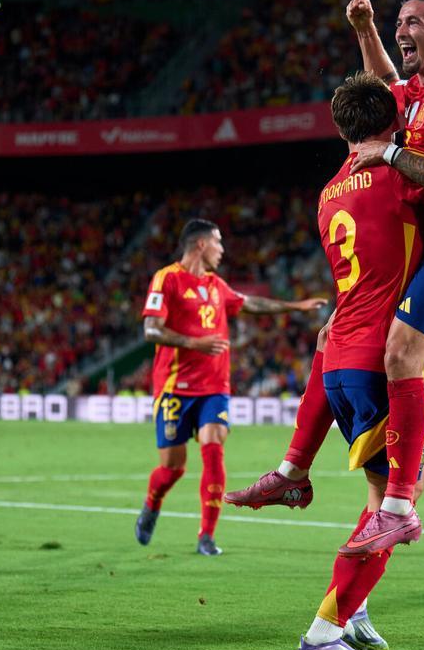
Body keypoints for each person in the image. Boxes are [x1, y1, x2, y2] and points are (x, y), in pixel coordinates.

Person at [227, 0, 424, 557]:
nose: (403, 31)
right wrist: (366, 29)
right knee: (333, 338)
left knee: (400, 356)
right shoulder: (417, 89)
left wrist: (393, 157)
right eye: (400, 22)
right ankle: (293, 469)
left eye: (414, 23)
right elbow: (380, 96)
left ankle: (398, 507)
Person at [289, 72, 424, 650]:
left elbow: (384, 85)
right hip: (376, 362)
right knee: (398, 499)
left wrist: (363, 31)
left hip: (341, 359)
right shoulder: (398, 177)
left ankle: (350, 611)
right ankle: (322, 634)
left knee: (377, 492)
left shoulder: (333, 186)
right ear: (396, 125)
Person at [134, 219, 326, 556]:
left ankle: (206, 536)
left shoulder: (216, 285)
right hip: (175, 387)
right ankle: (152, 503)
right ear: (201, 245)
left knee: (213, 445)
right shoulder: (167, 279)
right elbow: (151, 330)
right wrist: (196, 343)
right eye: (219, 243)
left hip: (214, 388)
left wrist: (294, 307)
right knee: (172, 468)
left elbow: (251, 303)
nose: (223, 250)